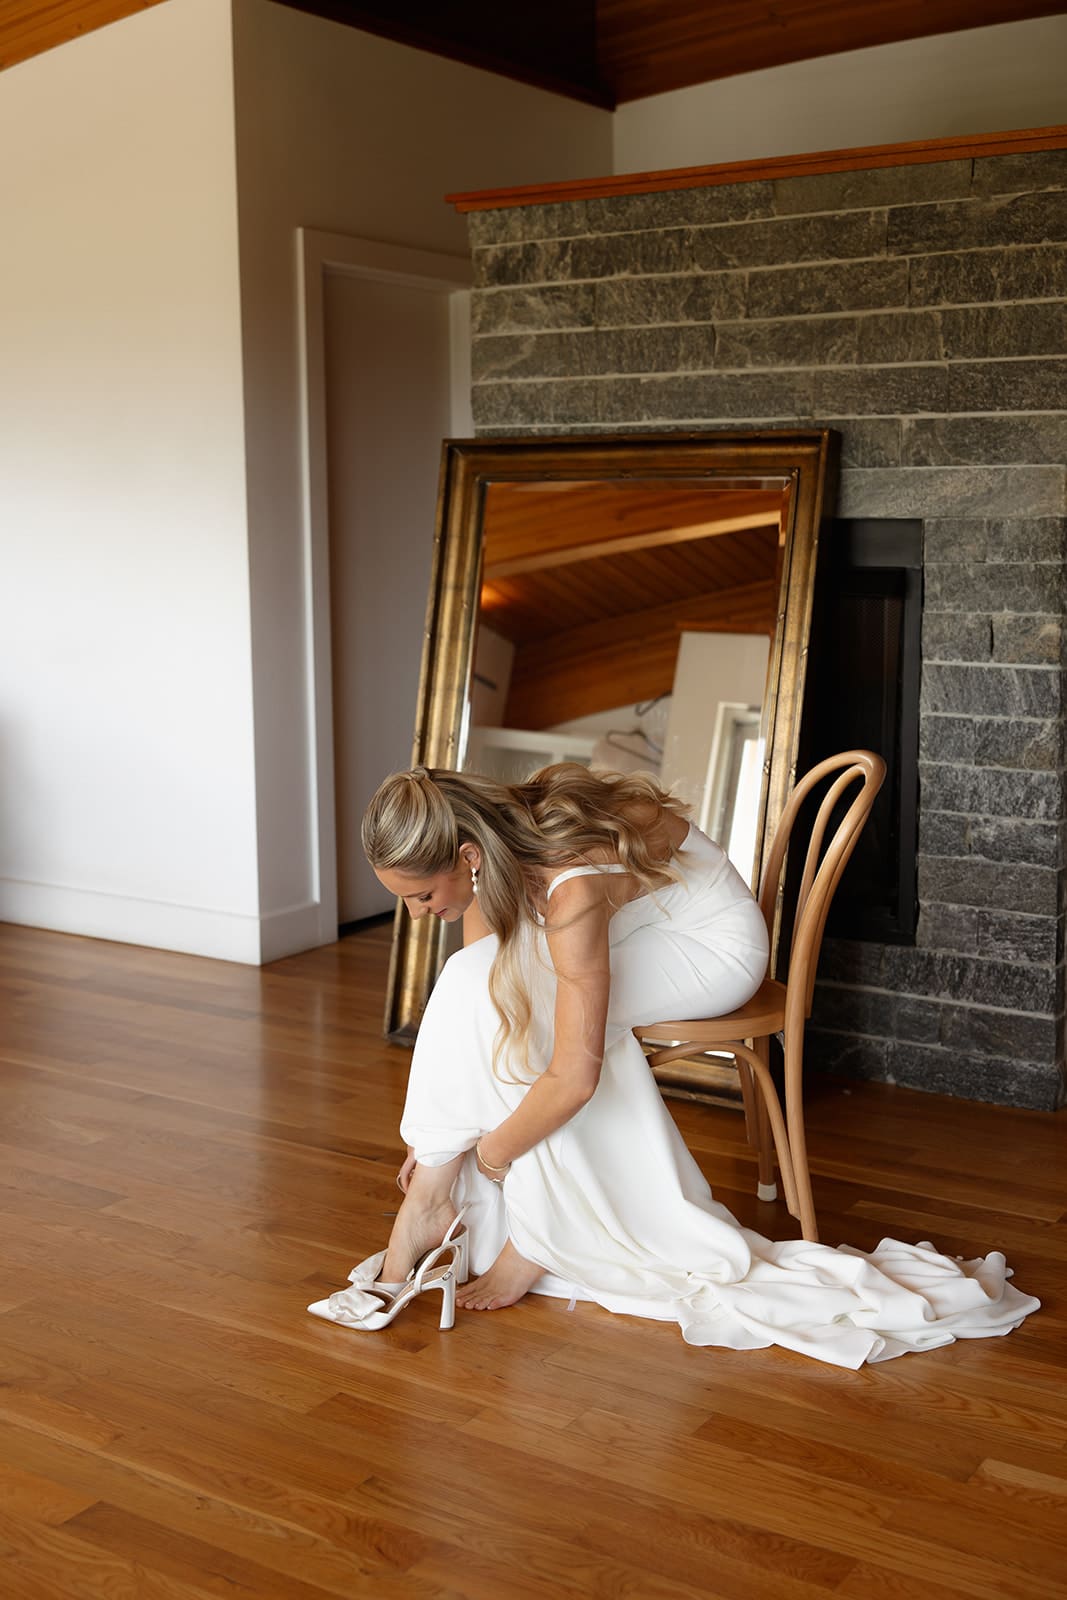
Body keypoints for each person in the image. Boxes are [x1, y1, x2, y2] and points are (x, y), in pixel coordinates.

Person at [308, 763, 1039, 1369]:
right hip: (643, 926)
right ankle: (433, 1187)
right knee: (477, 985)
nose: (414, 914)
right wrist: (439, 1136)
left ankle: (519, 1233)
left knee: (543, 1025)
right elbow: (481, 976)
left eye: (419, 896)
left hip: (713, 948)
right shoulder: (498, 850)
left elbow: (575, 1076)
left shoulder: (568, 885)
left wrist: (493, 1156)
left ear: (465, 856)